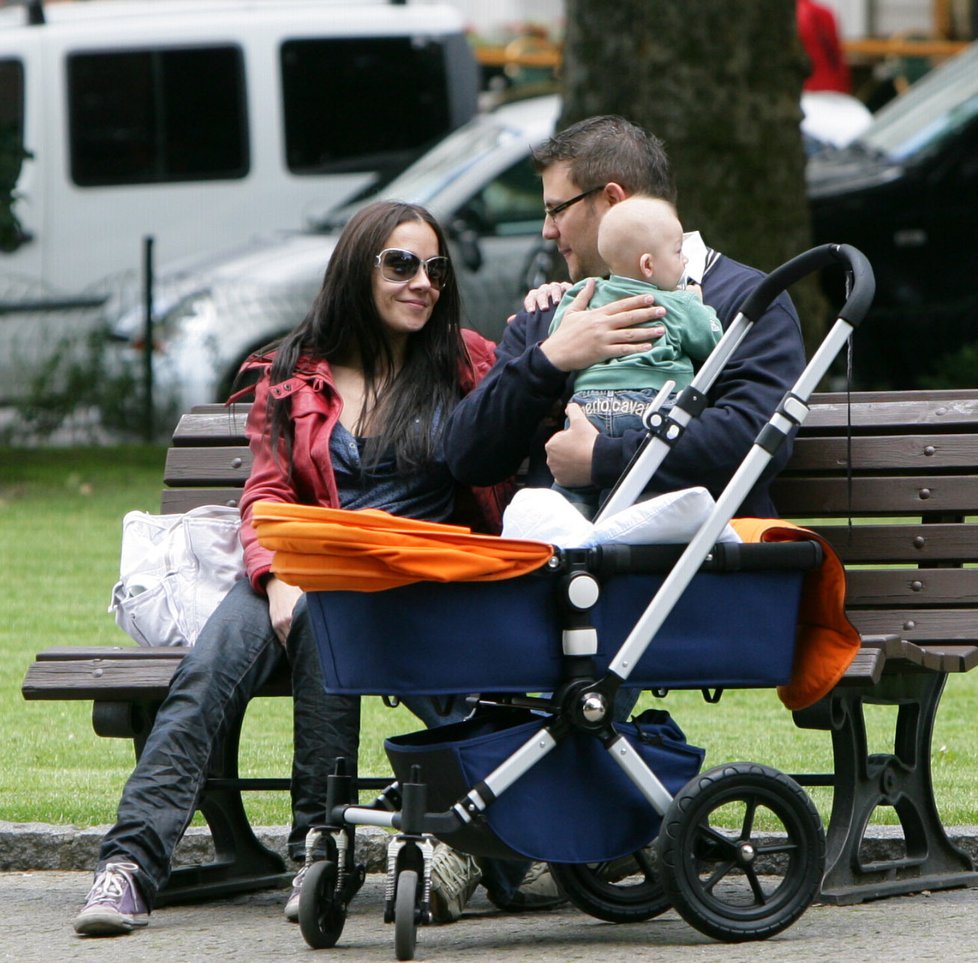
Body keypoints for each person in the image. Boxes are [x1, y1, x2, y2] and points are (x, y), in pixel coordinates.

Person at [72, 200, 513, 937]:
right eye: (400, 264)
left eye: (434, 267)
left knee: (325, 615)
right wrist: (276, 576)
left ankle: (320, 847)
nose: (422, 282)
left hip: (420, 579)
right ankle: (130, 865)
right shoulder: (296, 377)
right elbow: (267, 493)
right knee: (208, 673)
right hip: (307, 565)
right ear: (357, 269)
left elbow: (531, 402)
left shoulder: (466, 363)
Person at [444, 114, 807, 521]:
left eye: (556, 210)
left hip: (695, 564)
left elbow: (753, 436)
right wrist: (548, 360)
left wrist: (602, 458)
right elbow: (469, 457)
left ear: (614, 200)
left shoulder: (746, 301)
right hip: (568, 574)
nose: (547, 230)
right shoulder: (557, 311)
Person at [548, 195, 722, 516]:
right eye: (678, 252)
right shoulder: (676, 304)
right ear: (648, 265)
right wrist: (698, 304)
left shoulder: (582, 293)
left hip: (588, 410)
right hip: (649, 411)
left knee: (572, 498)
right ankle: (624, 527)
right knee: (641, 496)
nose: (684, 261)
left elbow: (559, 338)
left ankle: (574, 534)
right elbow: (713, 342)